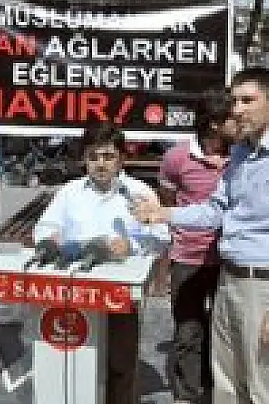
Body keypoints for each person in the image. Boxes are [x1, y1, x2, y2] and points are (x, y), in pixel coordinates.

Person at [133, 67, 269, 404]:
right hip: (229, 280)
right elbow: (216, 210)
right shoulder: (240, 153)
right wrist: (165, 214)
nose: (237, 110)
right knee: (226, 385)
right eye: (235, 101)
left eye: (248, 100)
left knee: (263, 391)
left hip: (266, 287)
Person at [33, 124, 170, 404]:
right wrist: (51, 237)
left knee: (121, 364)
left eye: (108, 156)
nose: (100, 164)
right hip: (75, 293)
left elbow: (161, 237)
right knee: (78, 364)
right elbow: (43, 229)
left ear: (122, 159)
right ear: (84, 158)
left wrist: (132, 246)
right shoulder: (69, 192)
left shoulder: (139, 191)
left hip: (120, 294)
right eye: (93, 157)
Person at [158, 93, 235, 404]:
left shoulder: (243, 156)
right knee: (188, 331)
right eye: (232, 117)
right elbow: (167, 199)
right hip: (187, 259)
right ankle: (188, 394)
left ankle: (217, 389)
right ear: (215, 124)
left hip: (228, 260)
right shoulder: (176, 157)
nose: (239, 120)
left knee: (224, 332)